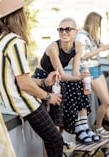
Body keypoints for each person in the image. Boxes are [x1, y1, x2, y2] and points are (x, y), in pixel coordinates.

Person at [0, 0, 92, 157]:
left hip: (5, 103)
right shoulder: (15, 42)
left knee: (53, 137)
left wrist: (44, 81)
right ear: (19, 16)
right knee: (54, 140)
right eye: (24, 12)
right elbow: (24, 85)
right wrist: (48, 96)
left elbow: (15, 80)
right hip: (21, 104)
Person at [33, 17, 100, 145]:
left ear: (76, 32)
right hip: (43, 78)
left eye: (68, 29)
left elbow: (75, 73)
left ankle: (83, 125)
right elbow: (63, 76)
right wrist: (81, 77)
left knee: (80, 83)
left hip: (57, 77)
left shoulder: (78, 46)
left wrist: (84, 77)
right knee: (71, 85)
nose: (64, 32)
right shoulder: (53, 47)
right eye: (61, 29)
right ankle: (78, 127)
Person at [76, 12, 109, 141]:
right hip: (88, 70)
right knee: (106, 101)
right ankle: (99, 126)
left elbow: (95, 49)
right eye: (99, 24)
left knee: (107, 102)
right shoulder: (81, 36)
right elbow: (83, 56)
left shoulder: (92, 36)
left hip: (97, 68)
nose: (99, 27)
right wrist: (100, 49)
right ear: (95, 23)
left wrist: (103, 47)